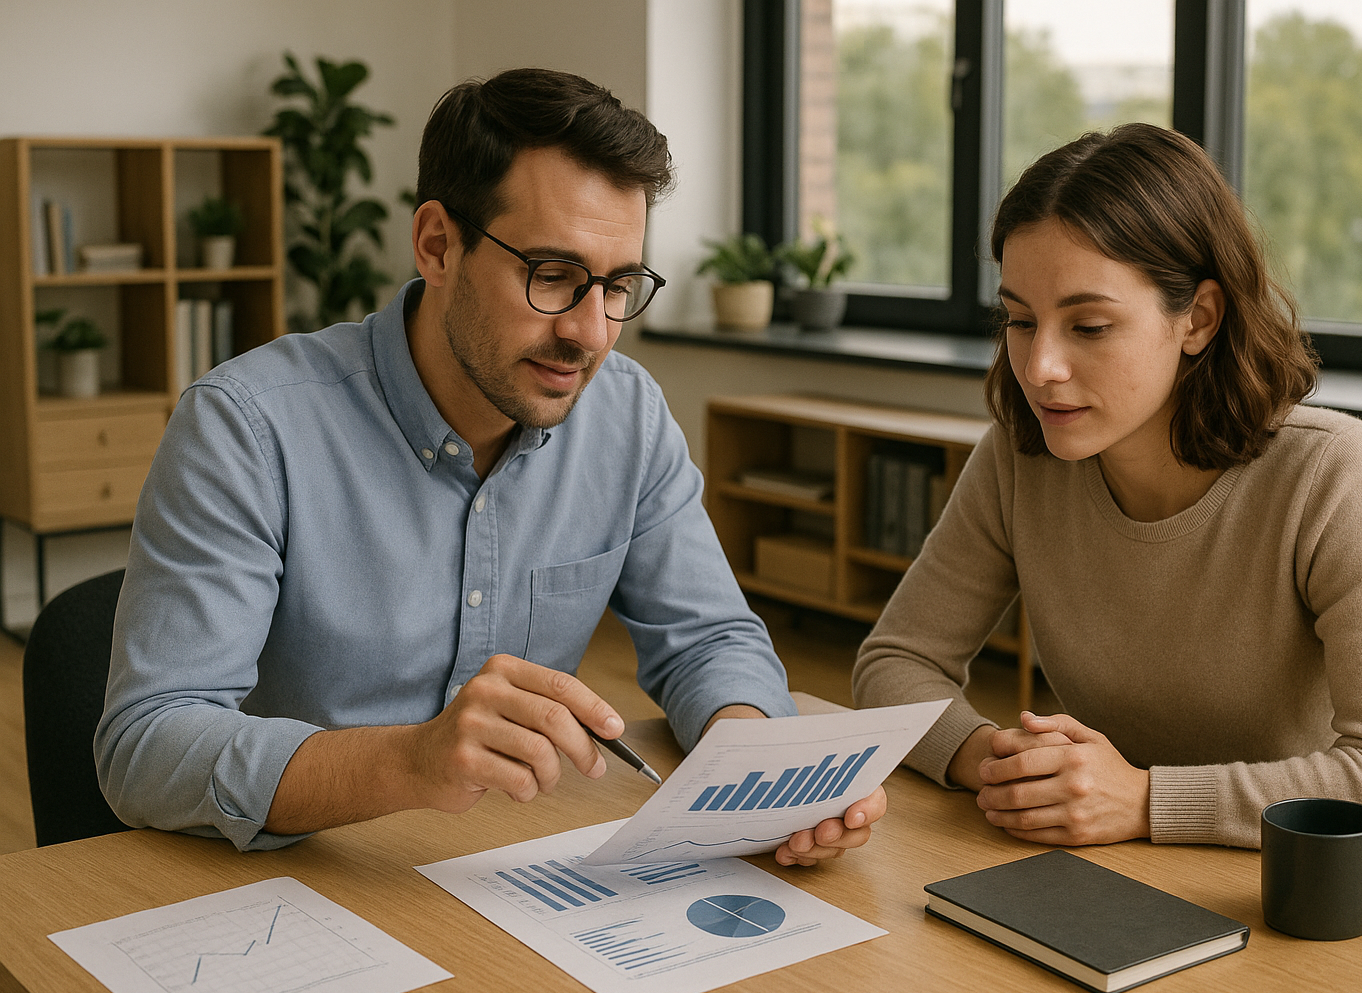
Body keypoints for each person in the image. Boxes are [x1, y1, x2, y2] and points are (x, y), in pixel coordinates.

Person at [96, 68, 883, 863]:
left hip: (512, 872)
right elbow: (148, 746)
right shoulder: (247, 428)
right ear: (438, 244)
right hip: (298, 881)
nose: (592, 332)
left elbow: (709, 638)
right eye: (554, 276)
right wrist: (408, 762)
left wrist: (752, 773)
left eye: (618, 286)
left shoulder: (628, 417)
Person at [851, 123, 1362, 851]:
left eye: (1090, 326)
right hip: (1132, 865)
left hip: (1321, 878)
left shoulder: (1332, 473)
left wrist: (1145, 800)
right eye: (1019, 320)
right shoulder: (1022, 459)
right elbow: (894, 664)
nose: (1040, 365)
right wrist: (999, 765)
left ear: (1197, 318)